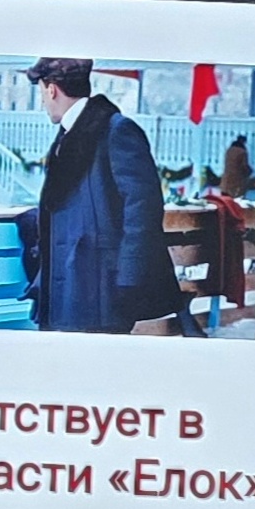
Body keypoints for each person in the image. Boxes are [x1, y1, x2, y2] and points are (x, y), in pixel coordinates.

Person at [26, 56, 183, 333]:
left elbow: (143, 209)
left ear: (51, 90)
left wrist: (129, 280)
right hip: (72, 285)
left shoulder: (116, 130)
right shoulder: (71, 133)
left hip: (102, 289)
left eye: (41, 92)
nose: (42, 101)